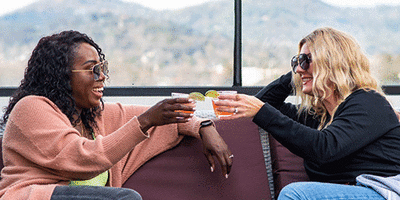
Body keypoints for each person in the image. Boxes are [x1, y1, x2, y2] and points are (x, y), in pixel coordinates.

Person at [0, 30, 233, 200]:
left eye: (103, 69)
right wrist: (145, 121)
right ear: (60, 75)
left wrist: (203, 127)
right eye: (93, 69)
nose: (102, 77)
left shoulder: (96, 116)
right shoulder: (31, 109)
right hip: (34, 197)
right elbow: (82, 158)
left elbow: (167, 116)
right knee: (125, 199)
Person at [214, 27, 400, 199]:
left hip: (381, 191)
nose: (299, 68)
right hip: (345, 192)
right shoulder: (319, 116)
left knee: (295, 194)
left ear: (332, 63)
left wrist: (308, 71)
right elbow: (265, 103)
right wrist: (300, 70)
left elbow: (325, 149)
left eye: (305, 61)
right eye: (296, 61)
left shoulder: (368, 101)